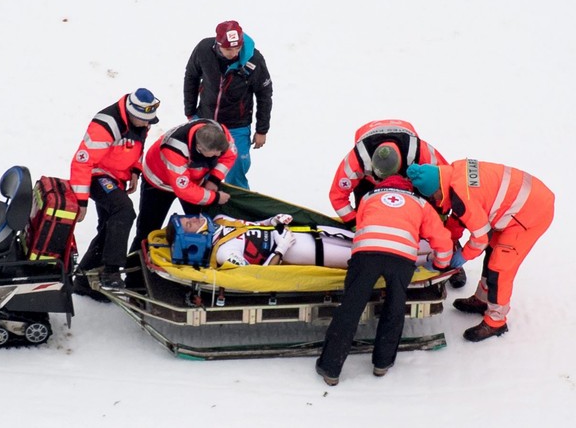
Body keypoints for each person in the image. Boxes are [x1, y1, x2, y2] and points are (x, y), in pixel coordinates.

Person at [315, 175, 455, 386]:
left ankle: (330, 368)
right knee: (394, 308)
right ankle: (382, 363)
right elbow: (442, 240)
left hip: (366, 254)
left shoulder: (368, 197)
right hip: (401, 259)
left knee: (350, 309)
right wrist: (441, 265)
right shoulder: (420, 203)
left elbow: (360, 224)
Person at [407, 159, 555, 342]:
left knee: (500, 266)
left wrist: (461, 256)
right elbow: (459, 216)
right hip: (521, 201)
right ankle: (483, 300)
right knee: (492, 252)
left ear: (438, 190)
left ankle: (496, 321)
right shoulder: (453, 173)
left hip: (530, 213)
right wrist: (450, 238)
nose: (436, 201)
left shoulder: (462, 195)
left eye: (434, 197)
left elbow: (481, 238)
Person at [327, 119, 466, 288]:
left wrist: (441, 224)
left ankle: (450, 253)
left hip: (410, 176)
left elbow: (446, 186)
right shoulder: (356, 160)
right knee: (368, 207)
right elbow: (337, 196)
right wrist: (356, 223)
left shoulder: (423, 154)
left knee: (427, 202)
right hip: (369, 180)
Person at [69, 89, 160, 294]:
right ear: (131, 113)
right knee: (124, 210)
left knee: (109, 228)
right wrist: (81, 201)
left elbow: (137, 147)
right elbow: (82, 162)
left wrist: (135, 170)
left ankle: (84, 281)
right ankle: (111, 272)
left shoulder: (140, 121)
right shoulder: (106, 125)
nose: (148, 125)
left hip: (115, 177)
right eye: (145, 121)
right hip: (96, 174)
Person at [124, 120, 237, 285]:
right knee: (147, 231)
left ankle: (196, 275)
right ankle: (134, 279)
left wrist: (213, 179)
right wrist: (214, 197)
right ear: (200, 148)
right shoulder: (175, 149)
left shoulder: (219, 133)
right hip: (159, 182)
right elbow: (184, 190)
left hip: (192, 180)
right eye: (214, 155)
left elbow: (229, 156)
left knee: (202, 228)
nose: (217, 157)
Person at [167, 212, 436, 269]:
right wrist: (282, 246)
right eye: (189, 224)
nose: (193, 219)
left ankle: (431, 246)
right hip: (301, 251)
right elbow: (261, 276)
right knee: (372, 253)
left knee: (368, 238)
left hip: (308, 232)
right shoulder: (226, 253)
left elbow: (252, 226)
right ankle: (427, 262)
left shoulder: (223, 221)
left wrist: (272, 221)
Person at [183, 20, 273, 190]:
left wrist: (262, 129)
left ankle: (238, 207)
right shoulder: (203, 49)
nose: (233, 53)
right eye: (228, 49)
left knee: (237, 165)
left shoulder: (254, 59)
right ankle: (202, 206)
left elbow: (264, 95)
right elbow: (191, 77)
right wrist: (190, 113)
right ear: (218, 44)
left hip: (237, 125)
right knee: (202, 166)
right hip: (205, 121)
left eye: (237, 48)